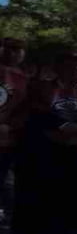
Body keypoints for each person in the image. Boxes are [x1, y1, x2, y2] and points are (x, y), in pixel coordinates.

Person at [9, 54, 77, 234]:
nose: (75, 70)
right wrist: (60, 125)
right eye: (69, 66)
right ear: (58, 68)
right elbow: (32, 110)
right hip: (40, 149)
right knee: (29, 196)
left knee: (65, 197)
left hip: (74, 150)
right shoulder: (39, 87)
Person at [0, 38, 30, 223]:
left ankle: (11, 220)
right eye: (9, 49)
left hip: (10, 139)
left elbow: (26, 108)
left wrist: (11, 125)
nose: (13, 53)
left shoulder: (24, 78)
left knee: (9, 182)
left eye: (18, 50)